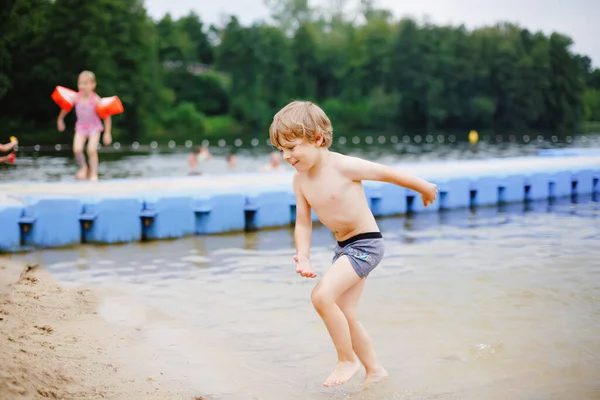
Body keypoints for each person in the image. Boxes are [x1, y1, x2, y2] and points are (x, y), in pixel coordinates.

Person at [269, 100, 438, 388]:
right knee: (344, 312)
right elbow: (303, 221)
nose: (286, 156)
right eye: (281, 149)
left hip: (366, 244)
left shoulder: (343, 166)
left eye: (292, 147)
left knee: (321, 297)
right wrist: (303, 256)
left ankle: (347, 359)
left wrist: (422, 186)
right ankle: (376, 371)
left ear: (318, 139)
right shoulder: (300, 181)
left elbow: (387, 173)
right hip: (344, 247)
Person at [57, 70, 112, 181]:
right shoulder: (76, 97)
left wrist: (107, 133)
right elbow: (65, 108)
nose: (82, 86)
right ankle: (84, 167)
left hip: (94, 128)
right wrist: (60, 120)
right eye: (80, 83)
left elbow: (106, 116)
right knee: (77, 149)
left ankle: (94, 174)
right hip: (81, 127)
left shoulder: (95, 99)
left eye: (85, 83)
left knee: (91, 150)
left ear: (93, 85)